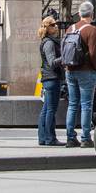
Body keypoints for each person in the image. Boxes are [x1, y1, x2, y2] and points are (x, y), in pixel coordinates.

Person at [58, 2, 96, 148]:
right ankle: (85, 137)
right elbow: (93, 53)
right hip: (86, 71)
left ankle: (70, 137)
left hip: (70, 70)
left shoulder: (70, 28)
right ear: (92, 13)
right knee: (86, 105)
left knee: (72, 104)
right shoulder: (92, 30)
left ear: (79, 13)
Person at [36, 15, 62, 146]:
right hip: (52, 78)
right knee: (50, 109)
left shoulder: (48, 42)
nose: (56, 26)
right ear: (47, 27)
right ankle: (50, 138)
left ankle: (43, 137)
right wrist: (65, 57)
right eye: (53, 25)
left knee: (46, 109)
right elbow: (52, 62)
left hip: (48, 78)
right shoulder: (49, 43)